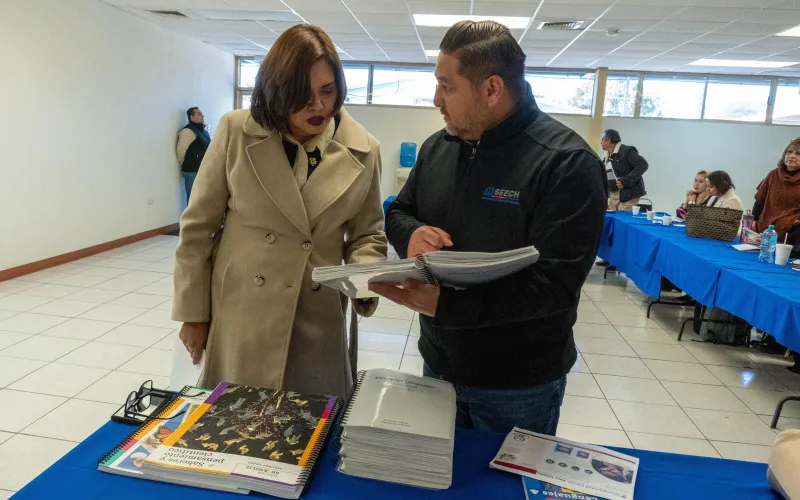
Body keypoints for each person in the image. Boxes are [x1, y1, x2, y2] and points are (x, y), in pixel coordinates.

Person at [371, 21, 607, 435]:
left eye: (446, 87)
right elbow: (399, 210)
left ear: (492, 89)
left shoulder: (565, 163)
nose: (436, 100)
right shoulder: (439, 147)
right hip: (439, 362)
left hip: (517, 384)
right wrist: (411, 234)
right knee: (440, 470)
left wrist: (446, 305)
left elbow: (554, 286)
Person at [172, 25, 387, 398]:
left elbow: (367, 234)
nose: (318, 106)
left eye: (327, 90)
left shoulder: (364, 150)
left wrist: (365, 279)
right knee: (235, 423)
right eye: (301, 95)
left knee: (309, 427)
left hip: (317, 318)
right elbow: (197, 228)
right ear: (276, 90)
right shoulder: (236, 132)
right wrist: (193, 314)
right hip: (243, 314)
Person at [753, 138, 800, 258]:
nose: (792, 156)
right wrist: (754, 221)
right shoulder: (773, 175)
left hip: (792, 234)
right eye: (789, 152)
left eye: (798, 153)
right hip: (765, 229)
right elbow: (759, 201)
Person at [601, 129, 648, 211]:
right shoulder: (607, 156)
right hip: (613, 195)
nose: (600, 142)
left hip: (629, 194)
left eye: (602, 140)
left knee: (621, 216)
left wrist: (626, 180)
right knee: (612, 217)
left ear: (608, 141)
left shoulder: (626, 151)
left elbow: (643, 164)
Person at [176, 107, 210, 202]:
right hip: (192, 171)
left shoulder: (203, 132)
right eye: (199, 114)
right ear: (192, 117)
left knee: (202, 199)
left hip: (202, 170)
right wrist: (190, 164)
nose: (202, 116)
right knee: (193, 199)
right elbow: (181, 152)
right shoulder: (187, 132)